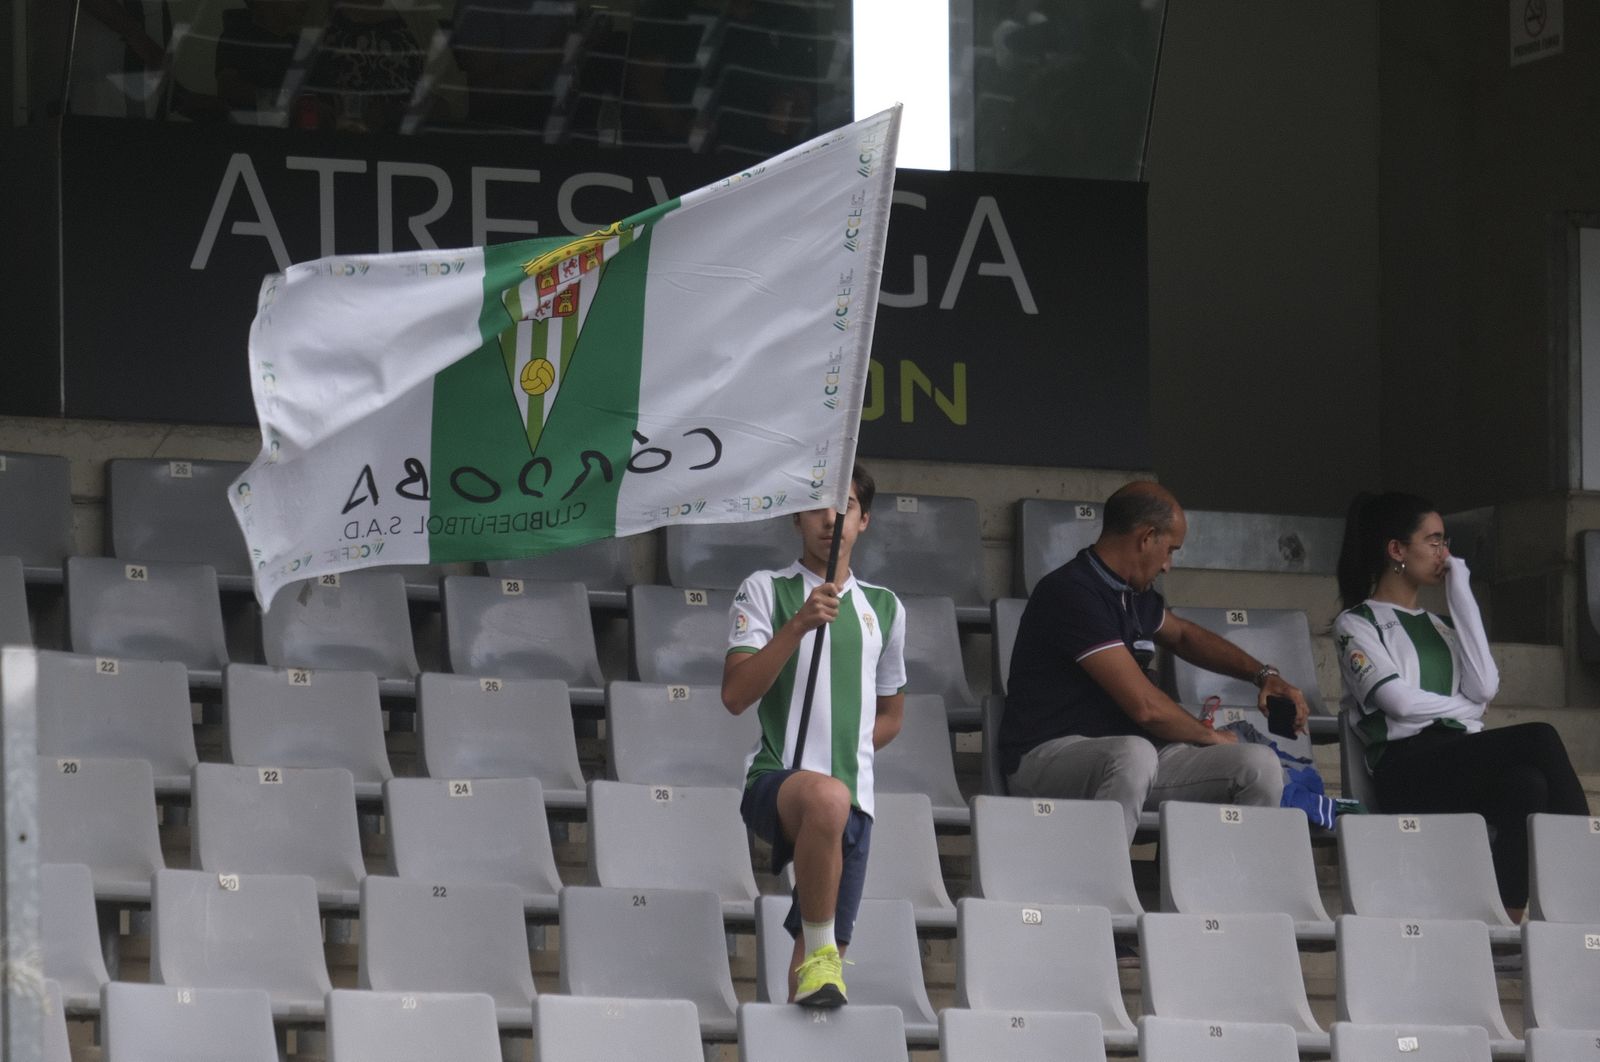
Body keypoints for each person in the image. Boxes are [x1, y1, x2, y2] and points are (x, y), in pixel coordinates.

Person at [1000, 480, 1310, 842]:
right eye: (1170, 550)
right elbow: (1146, 708)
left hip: (1134, 762)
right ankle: (1101, 888)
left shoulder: (1136, 595)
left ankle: (1221, 892)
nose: (1168, 566)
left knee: (1258, 766)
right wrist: (1208, 735)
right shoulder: (1071, 591)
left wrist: (1263, 675)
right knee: (1134, 754)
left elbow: (1184, 636)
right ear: (1146, 537)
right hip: (1048, 758)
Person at [1334, 491, 1589, 918]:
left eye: (1445, 541)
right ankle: (1586, 861)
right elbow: (1398, 701)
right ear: (1397, 550)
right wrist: (1466, 711)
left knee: (1527, 784)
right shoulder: (1357, 623)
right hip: (1407, 770)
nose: (1444, 553)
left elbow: (1485, 687)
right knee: (1540, 737)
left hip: (1455, 763)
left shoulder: (1444, 625)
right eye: (1433, 541)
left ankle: (1505, 925)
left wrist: (1461, 592)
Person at [723, 463, 906, 1007]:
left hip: (856, 805)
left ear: (864, 520)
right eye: (818, 506)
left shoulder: (886, 608)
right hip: (776, 782)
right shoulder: (766, 589)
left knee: (813, 975)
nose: (832, 519)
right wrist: (798, 625)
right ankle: (823, 958)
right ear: (797, 518)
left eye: (845, 506)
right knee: (827, 796)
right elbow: (735, 695)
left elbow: (893, 714)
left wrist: (853, 746)